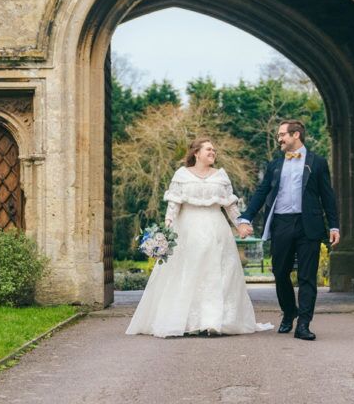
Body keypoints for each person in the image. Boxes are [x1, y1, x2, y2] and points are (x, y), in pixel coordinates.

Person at [126, 137, 273, 337]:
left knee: (216, 276)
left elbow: (230, 205)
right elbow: (173, 204)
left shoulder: (221, 176)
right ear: (196, 153)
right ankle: (186, 321)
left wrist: (240, 225)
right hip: (187, 231)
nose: (213, 152)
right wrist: (167, 227)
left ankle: (212, 322)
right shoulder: (182, 175)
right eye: (209, 150)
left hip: (217, 231)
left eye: (214, 150)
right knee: (187, 275)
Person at [237, 120, 339, 341]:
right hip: (281, 223)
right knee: (280, 272)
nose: (279, 139)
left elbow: (327, 196)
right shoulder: (274, 165)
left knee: (307, 277)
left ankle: (303, 324)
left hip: (308, 225)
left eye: (282, 135)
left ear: (296, 135)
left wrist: (334, 225)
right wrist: (246, 216)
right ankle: (289, 311)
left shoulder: (318, 162)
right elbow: (261, 192)